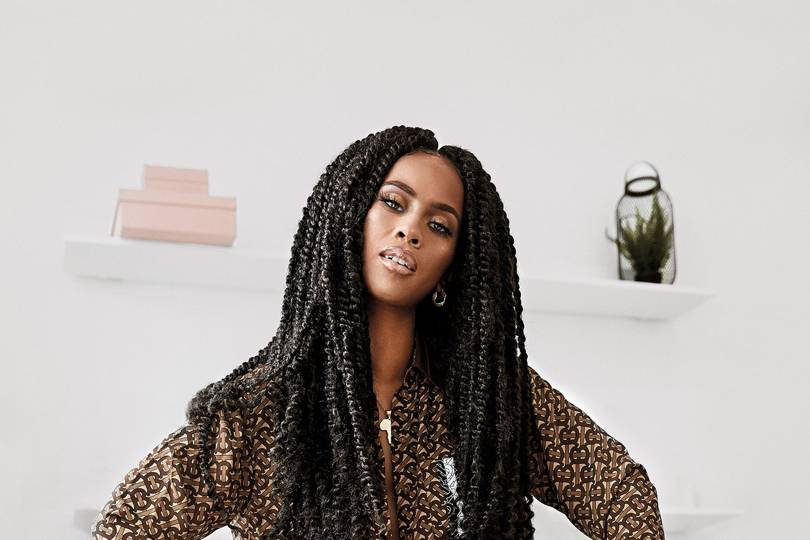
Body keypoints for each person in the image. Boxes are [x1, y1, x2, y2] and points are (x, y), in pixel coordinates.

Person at [91, 125, 665, 539]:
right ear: (348, 218)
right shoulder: (267, 408)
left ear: (454, 265)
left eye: (439, 225)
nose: (410, 231)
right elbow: (128, 524)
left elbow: (619, 490)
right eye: (393, 203)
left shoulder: (491, 395)